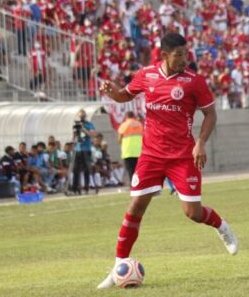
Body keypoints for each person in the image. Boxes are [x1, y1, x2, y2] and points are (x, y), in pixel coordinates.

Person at [97, 33, 238, 289]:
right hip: (151, 154)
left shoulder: (194, 82)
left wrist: (200, 142)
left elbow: (210, 114)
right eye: (179, 55)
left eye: (186, 54)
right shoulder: (147, 75)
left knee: (192, 213)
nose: (184, 59)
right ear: (165, 55)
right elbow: (124, 96)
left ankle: (221, 226)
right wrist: (112, 91)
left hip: (182, 155)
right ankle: (118, 267)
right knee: (135, 208)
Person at [71, 109, 96, 195]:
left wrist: (83, 129)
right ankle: (75, 188)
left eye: (83, 114)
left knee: (87, 169)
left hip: (86, 149)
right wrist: (75, 133)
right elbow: (73, 138)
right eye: (80, 115)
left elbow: (92, 134)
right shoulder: (76, 125)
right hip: (78, 150)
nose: (81, 116)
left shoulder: (89, 124)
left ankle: (86, 187)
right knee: (76, 170)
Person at [118, 111, 143, 182]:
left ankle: (133, 186)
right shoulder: (139, 124)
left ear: (126, 116)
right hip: (138, 152)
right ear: (133, 116)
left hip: (128, 152)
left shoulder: (124, 125)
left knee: (131, 170)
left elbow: (119, 139)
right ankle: (140, 185)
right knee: (138, 171)